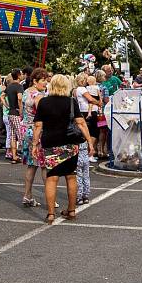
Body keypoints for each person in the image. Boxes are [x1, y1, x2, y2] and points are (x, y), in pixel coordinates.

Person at [32, 74, 95, 224]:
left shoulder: (44, 102)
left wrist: (34, 144)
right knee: (71, 176)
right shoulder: (71, 102)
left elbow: (38, 126)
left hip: (50, 143)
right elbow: (80, 123)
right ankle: (71, 210)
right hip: (70, 144)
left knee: (51, 178)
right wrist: (90, 142)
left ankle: (51, 214)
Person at [22, 69, 50, 206]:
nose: (46, 83)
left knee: (31, 166)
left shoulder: (26, 92)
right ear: (35, 81)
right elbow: (42, 115)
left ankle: (27, 195)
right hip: (37, 131)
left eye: (46, 80)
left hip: (26, 129)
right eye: (43, 80)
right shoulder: (39, 96)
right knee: (44, 166)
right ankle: (50, 198)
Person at [75, 73, 101, 163]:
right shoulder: (82, 89)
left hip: (82, 110)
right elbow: (90, 99)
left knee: (87, 132)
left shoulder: (77, 89)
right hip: (88, 111)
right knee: (93, 132)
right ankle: (90, 154)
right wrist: (98, 102)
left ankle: (86, 154)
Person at [4, 69, 25, 164]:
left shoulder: (9, 86)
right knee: (21, 134)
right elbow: (20, 98)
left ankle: (14, 155)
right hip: (16, 113)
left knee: (12, 135)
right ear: (18, 75)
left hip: (10, 112)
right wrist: (21, 110)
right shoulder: (19, 86)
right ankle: (24, 155)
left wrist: (7, 105)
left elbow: (2, 96)